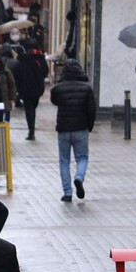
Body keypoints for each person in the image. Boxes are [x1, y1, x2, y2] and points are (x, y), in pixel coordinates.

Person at [50, 59, 96, 203]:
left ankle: (67, 192)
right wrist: (90, 125)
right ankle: (79, 177)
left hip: (63, 128)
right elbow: (91, 110)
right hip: (80, 128)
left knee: (64, 160)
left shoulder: (57, 88)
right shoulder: (86, 88)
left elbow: (54, 101)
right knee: (82, 157)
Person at [13, 39, 48, 140]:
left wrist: (18, 88)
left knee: (29, 109)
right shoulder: (40, 57)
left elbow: (17, 73)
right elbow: (45, 72)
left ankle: (31, 130)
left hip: (25, 88)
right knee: (33, 107)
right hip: (37, 88)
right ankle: (31, 129)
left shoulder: (22, 59)